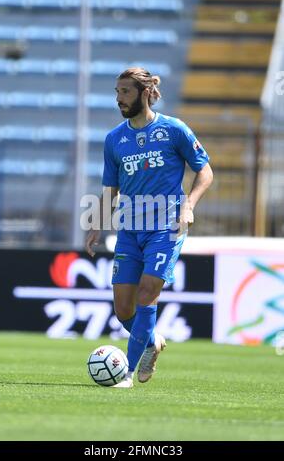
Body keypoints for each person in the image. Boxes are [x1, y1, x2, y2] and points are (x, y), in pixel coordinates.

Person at [85, 67, 213, 388]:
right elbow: (111, 188)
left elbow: (205, 172)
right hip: (129, 229)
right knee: (123, 309)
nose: (118, 99)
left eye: (124, 92)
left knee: (147, 294)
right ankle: (151, 339)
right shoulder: (114, 139)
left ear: (144, 93)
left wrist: (188, 205)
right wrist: (97, 223)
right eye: (116, 93)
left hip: (166, 228)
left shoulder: (173, 130)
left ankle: (126, 372)